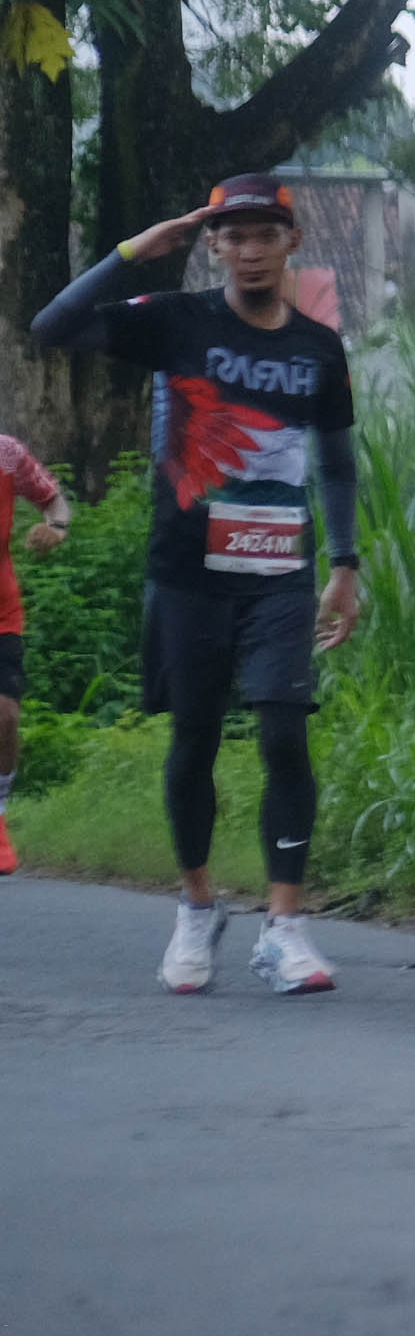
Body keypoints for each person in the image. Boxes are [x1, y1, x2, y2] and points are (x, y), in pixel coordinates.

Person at [28, 176, 364, 992]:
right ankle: (196, 905)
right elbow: (52, 326)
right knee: (195, 740)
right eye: (233, 236)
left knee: (284, 734)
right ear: (213, 245)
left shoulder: (319, 349)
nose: (250, 251)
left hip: (280, 574)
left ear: (291, 242)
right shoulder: (175, 321)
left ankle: (285, 928)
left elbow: (335, 461)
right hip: (188, 574)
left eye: (265, 235)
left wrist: (345, 564)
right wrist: (134, 251)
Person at [0, 423, 72, 875]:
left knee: (6, 716)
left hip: (1, 611)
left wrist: (56, 528)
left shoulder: (6, 453)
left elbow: (54, 501)